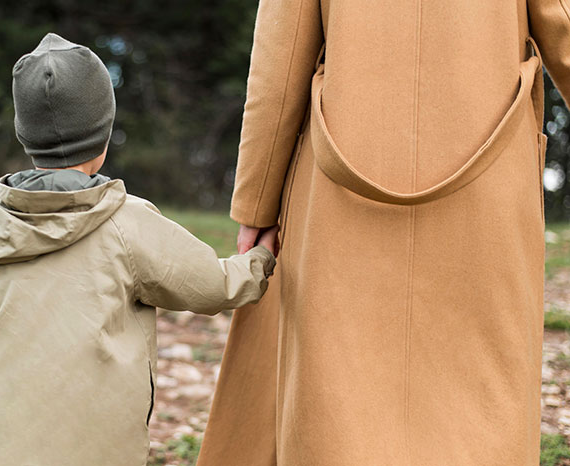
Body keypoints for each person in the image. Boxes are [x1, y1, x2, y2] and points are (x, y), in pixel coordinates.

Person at [197, 1, 566, 465]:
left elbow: (281, 57)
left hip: (342, 184)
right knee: (483, 399)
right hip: (487, 187)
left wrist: (258, 201)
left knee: (338, 402)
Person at [0, 32, 276, 466]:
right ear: (104, 135)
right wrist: (260, 258)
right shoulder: (125, 221)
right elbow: (212, 286)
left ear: (24, 134)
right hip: (95, 451)